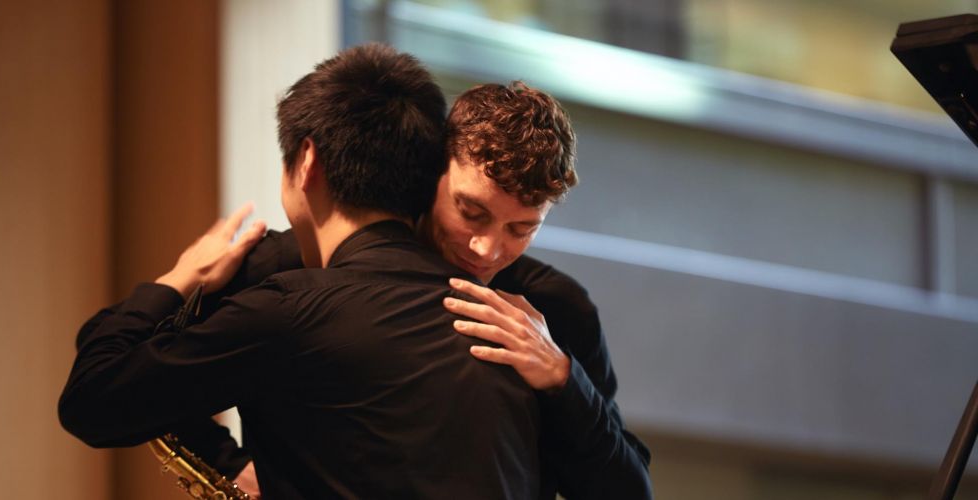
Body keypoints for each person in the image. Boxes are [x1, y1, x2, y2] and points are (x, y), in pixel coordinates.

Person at [58, 44, 541, 499]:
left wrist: (180, 279)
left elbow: (92, 400)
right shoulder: (517, 321)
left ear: (306, 161)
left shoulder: (286, 310)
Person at [186, 82, 655, 498]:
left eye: (521, 229)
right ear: (433, 175)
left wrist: (562, 378)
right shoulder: (303, 264)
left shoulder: (558, 309)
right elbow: (158, 369)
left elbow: (628, 491)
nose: (487, 249)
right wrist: (231, 465)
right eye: (471, 212)